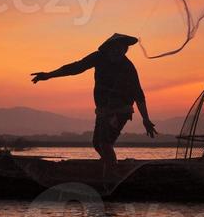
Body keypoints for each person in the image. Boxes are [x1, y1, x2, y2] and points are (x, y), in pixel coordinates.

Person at [31, 33, 157, 171]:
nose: (119, 51)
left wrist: (145, 119)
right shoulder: (98, 57)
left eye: (123, 48)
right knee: (97, 143)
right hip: (103, 110)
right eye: (116, 48)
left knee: (105, 143)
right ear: (109, 48)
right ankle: (109, 165)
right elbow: (76, 67)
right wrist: (49, 75)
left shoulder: (127, 66)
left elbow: (138, 93)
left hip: (121, 110)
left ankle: (111, 172)